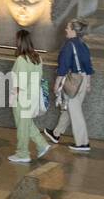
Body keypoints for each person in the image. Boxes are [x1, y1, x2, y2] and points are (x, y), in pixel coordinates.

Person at [44, 19, 94, 152]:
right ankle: (56, 133)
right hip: (82, 80)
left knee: (75, 112)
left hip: (73, 81)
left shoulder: (69, 45)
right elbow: (88, 65)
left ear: (73, 31)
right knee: (69, 108)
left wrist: (57, 84)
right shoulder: (83, 45)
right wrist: (88, 82)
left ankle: (83, 143)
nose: (65, 30)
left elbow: (63, 67)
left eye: (67, 28)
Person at [9, 29, 53, 165]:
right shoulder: (37, 58)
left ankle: (23, 153)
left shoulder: (21, 60)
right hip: (33, 97)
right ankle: (42, 144)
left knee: (22, 126)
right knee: (27, 124)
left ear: (19, 42)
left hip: (22, 98)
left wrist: (12, 98)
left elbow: (19, 84)